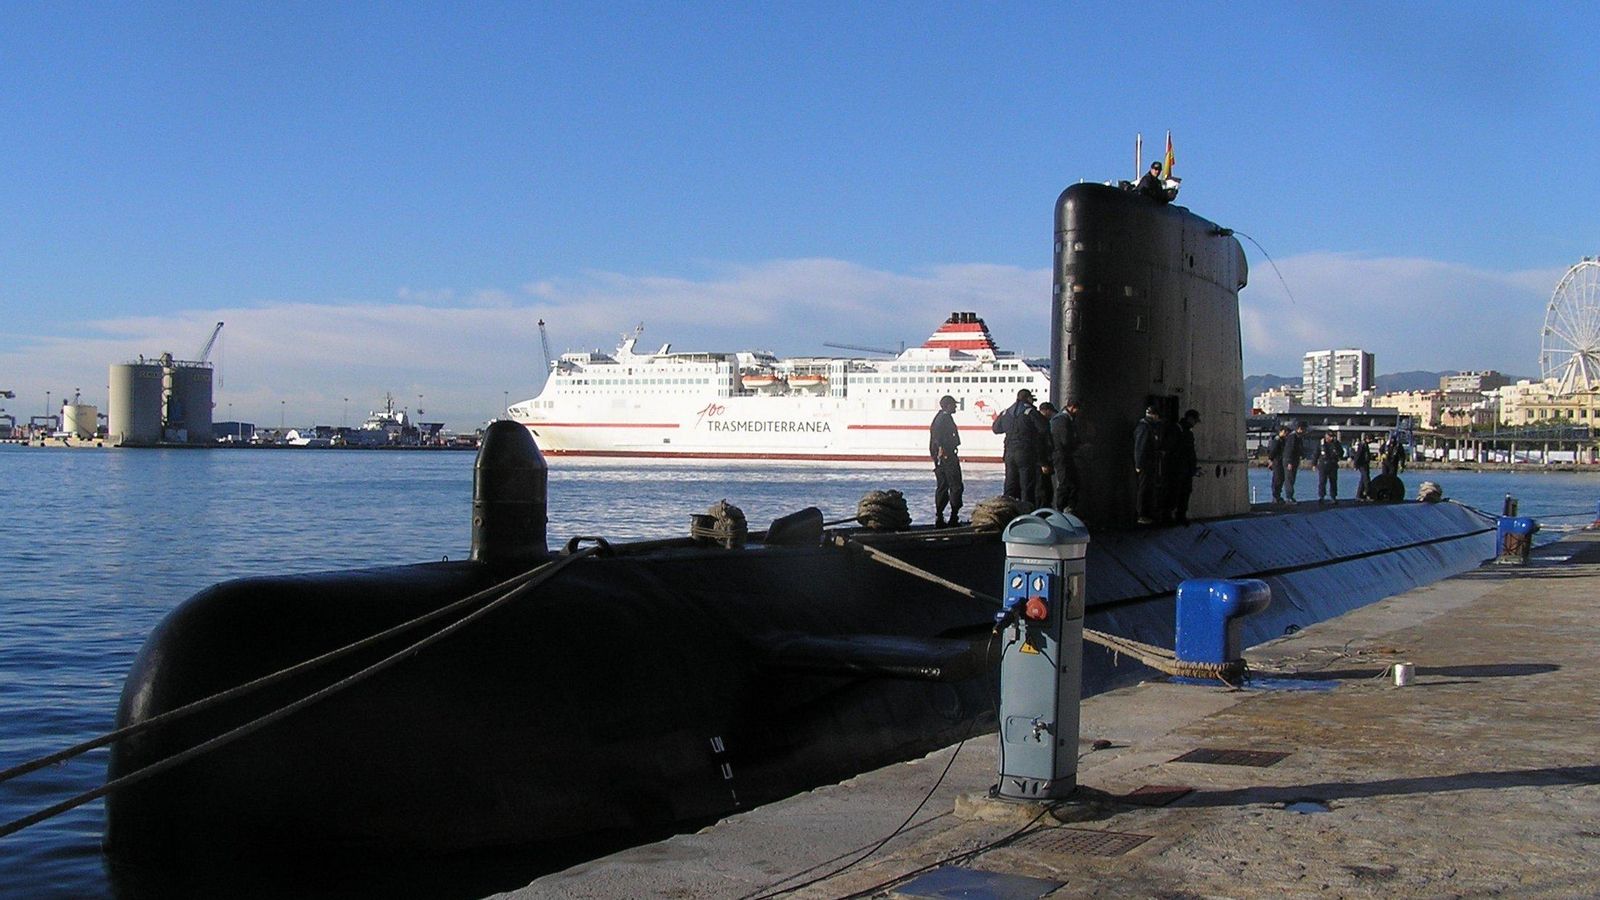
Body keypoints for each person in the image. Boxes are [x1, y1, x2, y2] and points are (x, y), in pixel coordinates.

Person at [993, 388, 1048, 506]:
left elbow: (996, 429)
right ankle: (1027, 511)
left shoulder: (1006, 412)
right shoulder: (1030, 411)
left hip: (1009, 452)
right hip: (1025, 451)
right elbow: (1044, 428)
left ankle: (1007, 510)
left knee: (1010, 483)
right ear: (1028, 398)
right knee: (1027, 484)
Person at [929, 395, 963, 527]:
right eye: (953, 405)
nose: (955, 407)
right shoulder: (944, 419)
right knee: (956, 486)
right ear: (947, 405)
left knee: (942, 487)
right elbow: (938, 438)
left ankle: (940, 517)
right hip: (947, 457)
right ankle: (953, 517)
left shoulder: (939, 418)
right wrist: (943, 452)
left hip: (941, 458)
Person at [1132, 405, 1165, 524]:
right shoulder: (1144, 427)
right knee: (1143, 489)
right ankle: (1141, 515)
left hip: (1150, 465)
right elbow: (1139, 447)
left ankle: (1147, 513)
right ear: (1154, 415)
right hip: (1144, 465)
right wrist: (1138, 465)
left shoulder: (1150, 427)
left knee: (1149, 489)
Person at [1050, 400, 1082, 513]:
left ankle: (1068, 507)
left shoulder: (1065, 419)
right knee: (1064, 482)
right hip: (1062, 456)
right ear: (1072, 407)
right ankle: (1060, 508)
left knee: (1072, 482)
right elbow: (1065, 440)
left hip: (1065, 455)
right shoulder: (1062, 420)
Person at [1169, 409, 1200, 525]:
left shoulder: (1188, 432)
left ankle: (1181, 516)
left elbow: (1190, 453)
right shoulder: (1178, 429)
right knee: (1175, 492)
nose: (1195, 423)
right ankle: (1170, 516)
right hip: (1177, 468)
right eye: (1195, 421)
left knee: (1185, 492)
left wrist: (1193, 468)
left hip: (1187, 469)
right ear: (1190, 418)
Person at [1035, 402, 1057, 507]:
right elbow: (1039, 445)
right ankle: (1043, 510)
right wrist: (1043, 463)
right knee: (1043, 490)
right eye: (1051, 412)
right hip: (1042, 463)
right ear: (1046, 411)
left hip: (1044, 461)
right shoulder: (1041, 424)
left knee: (1046, 489)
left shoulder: (1041, 422)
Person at [1314, 431, 1344, 503]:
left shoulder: (1336, 443)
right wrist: (1314, 464)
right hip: (1323, 465)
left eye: (1332, 436)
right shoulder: (1321, 443)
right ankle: (1321, 496)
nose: (1331, 438)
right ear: (1326, 436)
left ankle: (1333, 496)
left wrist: (1338, 453)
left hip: (1333, 464)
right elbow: (1316, 453)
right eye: (1329, 436)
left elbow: (1341, 452)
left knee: (1333, 481)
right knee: (1322, 481)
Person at [1284, 422, 1308, 502]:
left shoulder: (1298, 437)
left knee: (1292, 479)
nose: (1305, 431)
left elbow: (1299, 449)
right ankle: (1288, 497)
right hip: (1290, 461)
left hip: (1295, 460)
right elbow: (1289, 450)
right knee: (1289, 479)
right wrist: (1289, 462)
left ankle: (1290, 496)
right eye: (1304, 429)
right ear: (1299, 428)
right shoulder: (1292, 437)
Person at [1265, 425, 1289, 504]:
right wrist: (1270, 460)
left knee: (1281, 479)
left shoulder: (1283, 440)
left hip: (1281, 461)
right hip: (1277, 462)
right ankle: (1275, 496)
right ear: (1280, 432)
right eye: (1284, 432)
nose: (1286, 434)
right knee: (1277, 479)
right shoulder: (1277, 440)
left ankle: (1278, 495)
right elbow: (1273, 451)